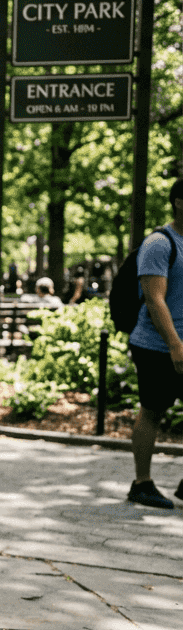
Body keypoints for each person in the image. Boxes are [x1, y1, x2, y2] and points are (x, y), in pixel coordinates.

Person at [124, 180, 183, 508]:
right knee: (153, 411)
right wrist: (175, 344)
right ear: (178, 202)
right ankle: (142, 484)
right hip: (157, 344)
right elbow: (154, 298)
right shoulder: (160, 243)